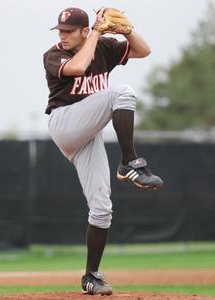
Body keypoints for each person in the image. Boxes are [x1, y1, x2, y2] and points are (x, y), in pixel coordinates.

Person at [43, 7, 163, 296]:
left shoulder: (105, 47)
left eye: (69, 30)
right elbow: (78, 69)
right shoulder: (54, 54)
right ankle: (129, 162)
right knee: (122, 92)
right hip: (65, 122)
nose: (63, 35)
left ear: (83, 30)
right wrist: (97, 32)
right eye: (60, 30)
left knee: (102, 208)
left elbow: (144, 51)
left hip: (88, 132)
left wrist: (126, 30)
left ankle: (91, 276)